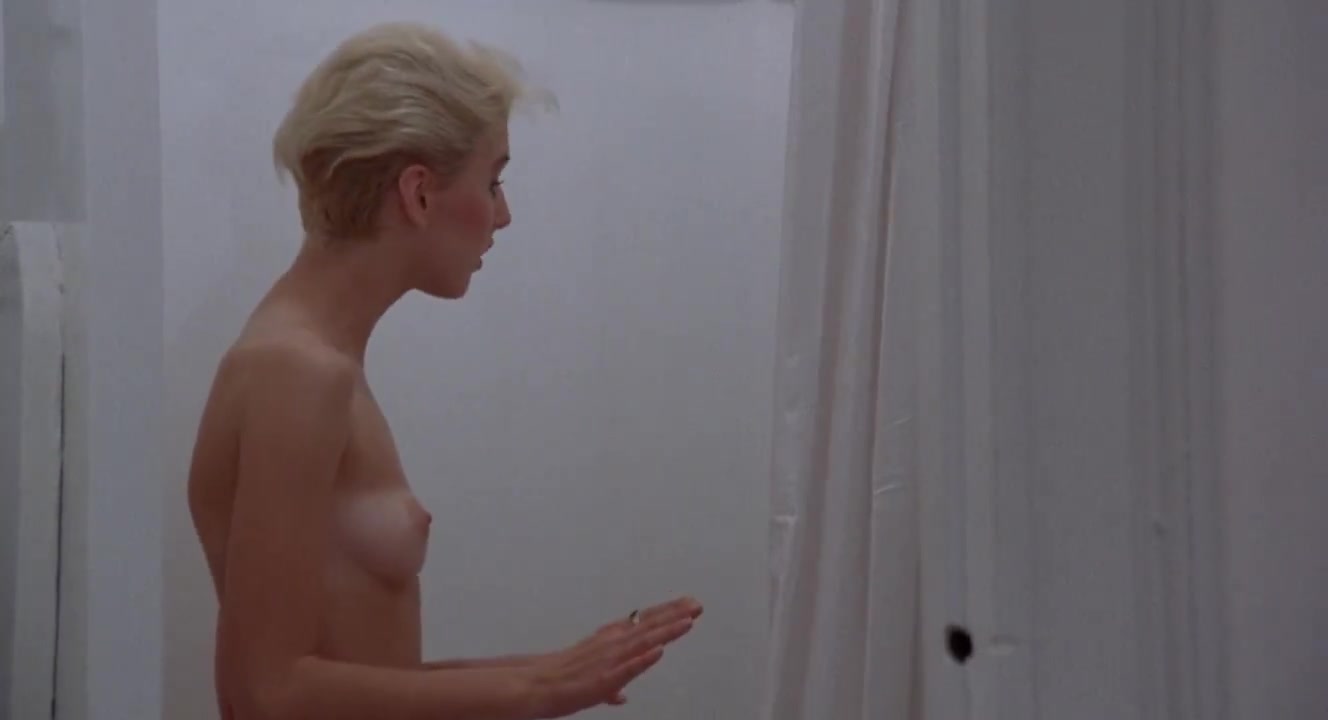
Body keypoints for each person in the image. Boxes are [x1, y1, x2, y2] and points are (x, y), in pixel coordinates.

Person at [186, 21, 703, 720]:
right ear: (419, 193)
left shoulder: (319, 362)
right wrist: (539, 689)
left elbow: (361, 679)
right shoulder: (296, 372)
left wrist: (556, 670)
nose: (503, 215)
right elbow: (266, 694)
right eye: (493, 181)